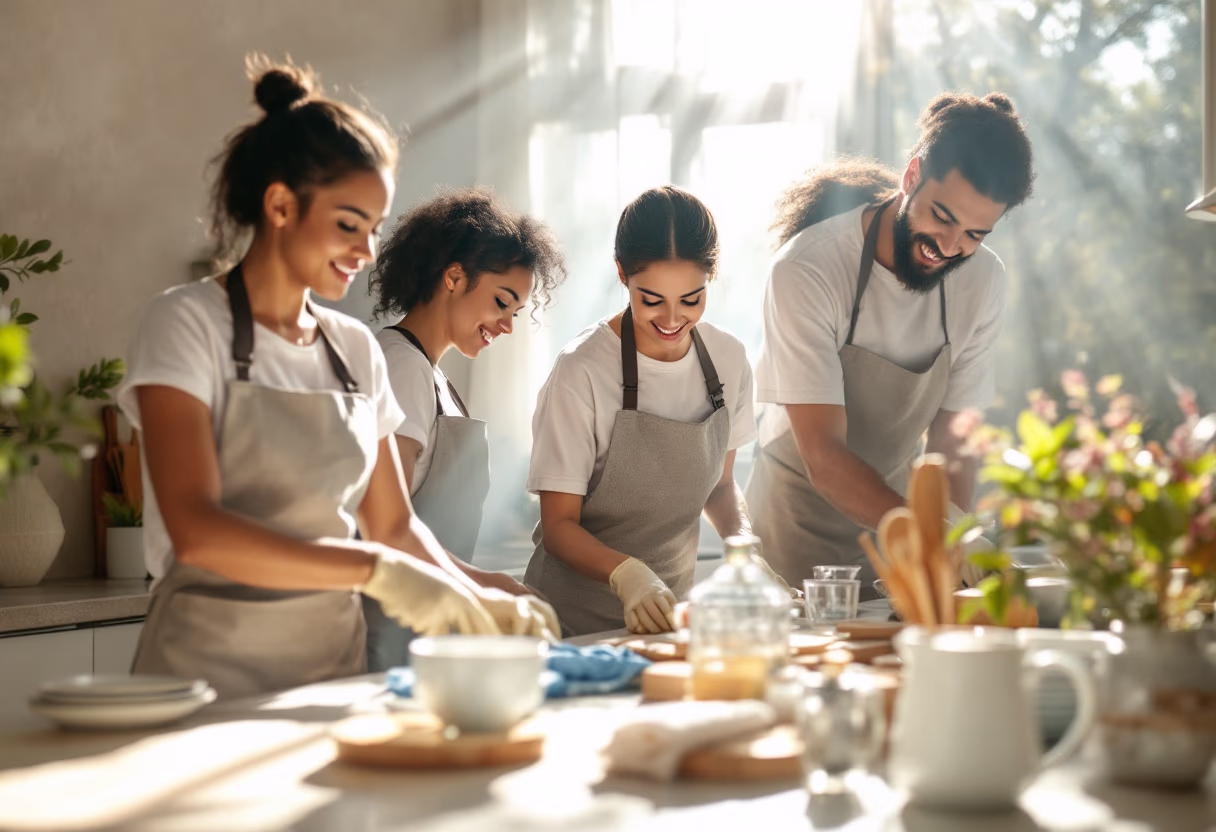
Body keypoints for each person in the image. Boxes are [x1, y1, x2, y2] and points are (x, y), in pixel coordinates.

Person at [118, 58, 549, 700]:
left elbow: (394, 528)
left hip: (331, 680)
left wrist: (482, 595)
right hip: (203, 677)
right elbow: (197, 530)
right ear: (280, 205)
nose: (367, 251)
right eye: (350, 224)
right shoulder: (185, 324)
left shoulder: (354, 350)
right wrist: (375, 569)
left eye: (374, 229)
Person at [747, 92, 1035, 597]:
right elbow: (823, 454)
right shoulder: (808, 268)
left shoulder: (984, 281)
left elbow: (953, 442)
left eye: (975, 234)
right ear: (912, 175)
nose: (950, 247)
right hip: (797, 522)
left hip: (902, 514)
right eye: (941, 216)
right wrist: (926, 532)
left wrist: (954, 536)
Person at [525, 185, 791, 637]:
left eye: (691, 299)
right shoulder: (582, 370)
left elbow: (721, 487)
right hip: (569, 629)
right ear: (621, 273)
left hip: (667, 625)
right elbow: (558, 526)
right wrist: (627, 575)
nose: (671, 320)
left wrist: (745, 553)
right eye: (651, 300)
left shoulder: (727, 359)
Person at [362, 187, 567, 670]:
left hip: (425, 626)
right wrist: (486, 584)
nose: (507, 325)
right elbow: (386, 530)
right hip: (391, 630)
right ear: (454, 277)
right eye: (501, 302)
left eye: (516, 312)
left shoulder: (434, 378)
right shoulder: (401, 367)